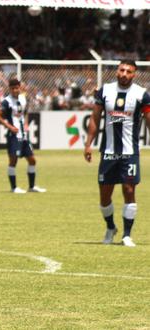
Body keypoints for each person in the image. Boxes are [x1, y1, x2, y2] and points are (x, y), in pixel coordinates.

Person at [84, 60, 150, 247]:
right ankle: (111, 227)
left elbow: (149, 120)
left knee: (129, 190)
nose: (124, 74)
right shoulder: (104, 91)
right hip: (108, 152)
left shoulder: (141, 95)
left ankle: (127, 235)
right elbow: (95, 118)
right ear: (116, 71)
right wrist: (88, 144)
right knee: (105, 196)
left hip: (130, 152)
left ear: (134, 74)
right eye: (121, 70)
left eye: (128, 71)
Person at [0, 79, 46, 194]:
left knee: (32, 160)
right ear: (9, 89)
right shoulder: (6, 102)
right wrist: (9, 126)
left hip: (24, 135)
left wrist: (26, 123)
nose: (15, 90)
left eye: (16, 88)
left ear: (20, 87)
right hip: (13, 136)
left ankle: (32, 187)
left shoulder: (23, 98)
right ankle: (14, 187)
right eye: (12, 88)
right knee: (13, 161)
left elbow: (25, 112)